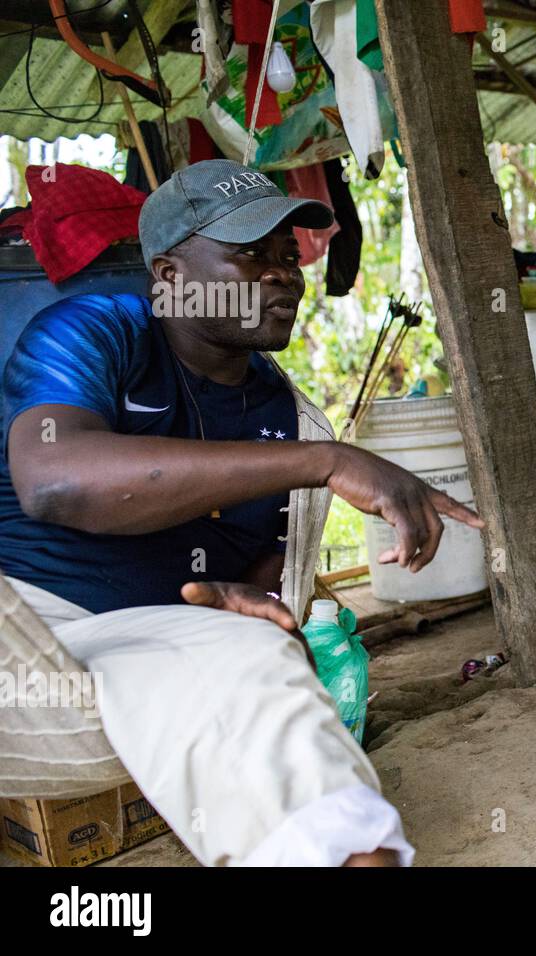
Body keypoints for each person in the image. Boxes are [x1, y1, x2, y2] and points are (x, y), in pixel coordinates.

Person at [0, 159, 485, 864]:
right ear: (168, 276)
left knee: (260, 662)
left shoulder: (282, 414)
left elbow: (250, 575)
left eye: (288, 258)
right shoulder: (98, 329)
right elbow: (54, 480)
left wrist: (244, 598)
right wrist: (328, 462)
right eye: (250, 255)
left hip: (144, 648)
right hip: (22, 626)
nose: (283, 274)